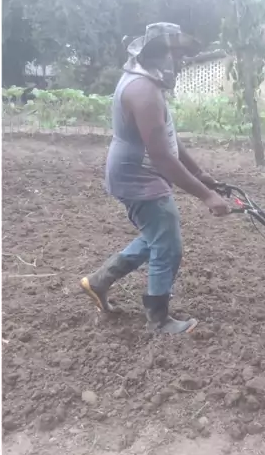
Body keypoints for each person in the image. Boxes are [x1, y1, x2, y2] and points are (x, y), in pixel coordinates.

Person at [80, 22, 230, 334]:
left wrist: (199, 172)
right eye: (177, 55)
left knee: (157, 236)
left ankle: (98, 281)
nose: (181, 62)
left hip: (137, 171)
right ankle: (159, 320)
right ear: (158, 54)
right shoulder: (143, 92)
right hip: (139, 176)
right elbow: (161, 155)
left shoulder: (147, 82)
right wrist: (206, 195)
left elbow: (167, 136)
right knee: (168, 244)